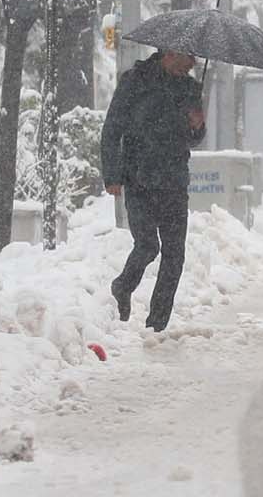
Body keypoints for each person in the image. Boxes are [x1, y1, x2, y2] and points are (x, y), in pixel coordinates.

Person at [100, 48, 206, 331]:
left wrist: (197, 127)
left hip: (174, 180)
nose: (193, 62)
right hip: (139, 177)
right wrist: (111, 175)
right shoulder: (135, 81)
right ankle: (123, 286)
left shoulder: (190, 88)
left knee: (174, 254)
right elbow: (112, 129)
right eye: (188, 57)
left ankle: (156, 325)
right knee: (147, 246)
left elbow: (193, 138)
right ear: (171, 53)